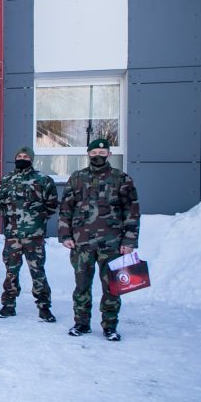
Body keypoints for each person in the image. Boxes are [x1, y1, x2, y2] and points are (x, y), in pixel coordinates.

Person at [58, 138, 140, 341]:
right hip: (82, 243)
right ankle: (81, 323)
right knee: (82, 286)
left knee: (113, 287)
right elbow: (66, 208)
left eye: (102, 153)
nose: (98, 156)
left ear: (109, 154)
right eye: (93, 152)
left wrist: (129, 241)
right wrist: (65, 235)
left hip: (112, 243)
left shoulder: (121, 179)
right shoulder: (77, 178)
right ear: (88, 154)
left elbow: (132, 211)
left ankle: (110, 326)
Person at [0, 146, 59, 322]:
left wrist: (37, 218)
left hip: (34, 235)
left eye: (25, 156)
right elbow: (0, 203)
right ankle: (8, 305)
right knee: (11, 272)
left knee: (38, 271)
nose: (22, 158)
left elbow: (52, 204)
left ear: (31, 159)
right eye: (19, 156)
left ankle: (44, 307)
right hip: (13, 235)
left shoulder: (42, 179)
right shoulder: (7, 180)